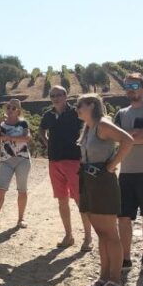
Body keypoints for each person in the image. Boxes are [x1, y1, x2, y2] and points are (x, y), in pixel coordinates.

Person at [76, 94, 134, 286]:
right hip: (89, 180)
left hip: (102, 181)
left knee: (110, 233)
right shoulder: (90, 128)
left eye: (79, 105)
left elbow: (128, 140)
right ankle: (104, 277)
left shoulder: (103, 124)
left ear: (92, 105)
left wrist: (111, 165)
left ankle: (115, 280)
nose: (77, 108)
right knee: (102, 234)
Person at [113, 73, 143, 271]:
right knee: (123, 217)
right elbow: (117, 138)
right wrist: (135, 134)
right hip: (126, 172)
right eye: (127, 85)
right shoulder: (121, 113)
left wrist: (128, 136)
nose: (130, 88)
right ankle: (125, 259)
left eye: (134, 85)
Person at [38, 85, 93, 251]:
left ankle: (88, 237)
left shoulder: (76, 112)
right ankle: (68, 236)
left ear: (65, 95)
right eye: (52, 95)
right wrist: (47, 142)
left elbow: (89, 127)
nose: (55, 98)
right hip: (54, 161)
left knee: (79, 200)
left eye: (59, 95)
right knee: (62, 200)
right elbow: (41, 129)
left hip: (74, 161)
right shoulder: (48, 115)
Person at [0, 99, 32, 230]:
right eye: (9, 107)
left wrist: (10, 138)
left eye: (13, 108)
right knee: (0, 189)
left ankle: (21, 219)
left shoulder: (23, 123)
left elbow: (27, 138)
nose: (10, 110)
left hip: (23, 160)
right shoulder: (3, 124)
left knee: (22, 190)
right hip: (6, 160)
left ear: (18, 111)